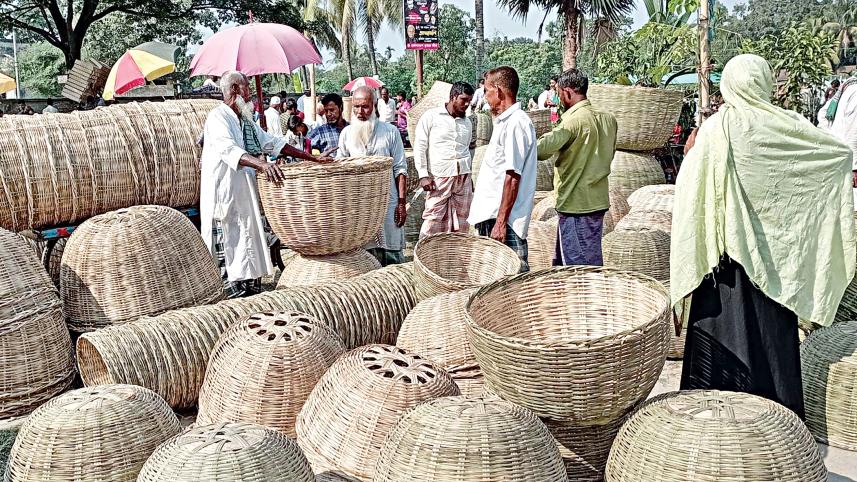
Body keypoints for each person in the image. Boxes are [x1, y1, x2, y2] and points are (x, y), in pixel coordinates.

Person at [671, 54, 855, 419]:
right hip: (778, 266)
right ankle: (780, 423)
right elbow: (838, 154)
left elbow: (690, 193)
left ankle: (720, 426)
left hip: (723, 267)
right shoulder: (790, 126)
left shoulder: (717, 129)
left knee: (725, 349)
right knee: (774, 344)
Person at [199, 71, 330, 298]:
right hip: (225, 199)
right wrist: (262, 165)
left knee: (249, 252)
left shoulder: (245, 121)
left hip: (245, 199)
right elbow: (229, 150)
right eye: (247, 88)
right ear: (235, 90)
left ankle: (250, 298)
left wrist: (312, 158)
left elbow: (274, 143)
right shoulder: (218, 117)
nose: (251, 95)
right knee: (230, 258)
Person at [537, 68, 617, 266]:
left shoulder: (572, 121)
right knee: (590, 259)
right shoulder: (608, 119)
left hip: (576, 204)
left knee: (578, 270)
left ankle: (586, 297)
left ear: (567, 92)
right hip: (597, 200)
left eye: (558, 93)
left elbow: (540, 151)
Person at [468, 66, 537, 270]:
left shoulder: (516, 123)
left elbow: (512, 176)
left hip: (504, 221)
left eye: (487, 91)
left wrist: (500, 222)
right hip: (493, 215)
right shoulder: (505, 122)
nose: (486, 97)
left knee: (513, 278)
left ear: (498, 91)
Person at [337, 86, 408, 266]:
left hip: (388, 203)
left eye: (365, 107)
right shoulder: (346, 134)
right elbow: (340, 169)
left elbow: (400, 169)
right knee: (365, 259)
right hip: (359, 207)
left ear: (374, 105)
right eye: (356, 107)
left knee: (392, 257)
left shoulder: (390, 132)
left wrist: (401, 203)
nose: (360, 112)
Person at [414, 81, 475, 237]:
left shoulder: (467, 122)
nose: (467, 104)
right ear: (453, 96)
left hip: (463, 177)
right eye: (464, 100)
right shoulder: (431, 117)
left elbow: (467, 149)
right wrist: (423, 175)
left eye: (469, 100)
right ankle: (423, 254)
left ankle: (454, 255)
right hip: (440, 177)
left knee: (463, 219)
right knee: (432, 218)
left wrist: (469, 175)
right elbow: (420, 146)